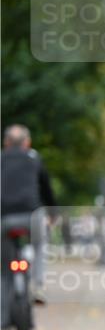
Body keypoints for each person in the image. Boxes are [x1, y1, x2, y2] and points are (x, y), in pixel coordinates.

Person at [1, 124, 57, 312]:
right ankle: (38, 286)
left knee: (4, 266)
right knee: (40, 245)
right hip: (32, 217)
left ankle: (2, 321)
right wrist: (53, 214)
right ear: (27, 143)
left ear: (6, 142)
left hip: (5, 219)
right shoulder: (34, 159)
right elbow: (47, 190)